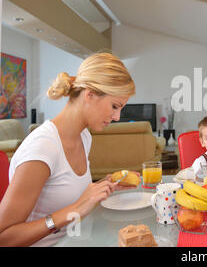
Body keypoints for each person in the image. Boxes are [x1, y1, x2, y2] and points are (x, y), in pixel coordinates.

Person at [0, 53, 136, 247]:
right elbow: (4, 237)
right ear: (90, 94)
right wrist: (74, 209)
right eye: (115, 106)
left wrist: (102, 186)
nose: (117, 117)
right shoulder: (42, 148)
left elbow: (69, 194)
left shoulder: (84, 137)